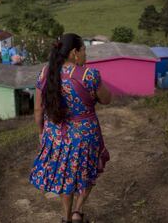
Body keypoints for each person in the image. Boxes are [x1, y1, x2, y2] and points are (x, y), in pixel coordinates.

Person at [30, 33, 112, 223]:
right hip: (85, 135)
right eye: (84, 49)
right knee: (88, 172)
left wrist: (41, 132)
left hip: (56, 135)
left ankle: (66, 217)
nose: (85, 54)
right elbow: (107, 99)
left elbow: (37, 109)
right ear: (75, 52)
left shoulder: (45, 72)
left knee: (65, 177)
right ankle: (78, 211)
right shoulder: (88, 75)